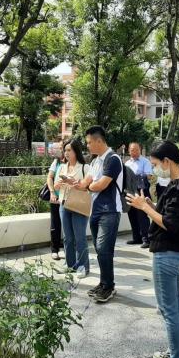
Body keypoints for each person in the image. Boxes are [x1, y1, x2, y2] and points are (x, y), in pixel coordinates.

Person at [126, 140, 179, 358]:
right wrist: (148, 204)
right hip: (174, 252)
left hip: (168, 253)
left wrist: (144, 208)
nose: (154, 170)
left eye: (155, 164)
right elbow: (168, 215)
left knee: (168, 309)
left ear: (167, 161)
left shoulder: (178, 188)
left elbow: (170, 223)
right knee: (176, 306)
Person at [75, 126, 123, 303]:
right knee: (100, 249)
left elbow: (100, 185)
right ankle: (104, 283)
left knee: (104, 249)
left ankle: (108, 287)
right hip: (95, 210)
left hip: (110, 211)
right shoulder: (95, 162)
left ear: (98, 141)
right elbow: (86, 183)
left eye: (89, 142)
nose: (87, 146)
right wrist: (75, 183)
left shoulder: (113, 159)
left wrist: (89, 185)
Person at [55, 139, 91, 279]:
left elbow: (88, 187)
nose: (67, 153)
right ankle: (70, 265)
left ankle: (83, 266)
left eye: (69, 150)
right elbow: (57, 187)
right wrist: (59, 184)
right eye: (65, 150)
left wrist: (74, 183)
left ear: (76, 151)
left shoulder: (84, 168)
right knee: (68, 238)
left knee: (80, 238)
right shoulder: (62, 167)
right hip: (64, 204)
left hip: (78, 205)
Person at [125, 142, 153, 248]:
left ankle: (147, 239)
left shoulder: (145, 161)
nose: (134, 152)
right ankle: (136, 238)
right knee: (131, 215)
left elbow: (149, 175)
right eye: (132, 150)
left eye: (136, 150)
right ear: (129, 151)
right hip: (130, 191)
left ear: (140, 150)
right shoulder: (127, 163)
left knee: (142, 216)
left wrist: (136, 176)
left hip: (141, 191)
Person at [46, 141, 65, 260]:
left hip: (68, 198)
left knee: (68, 225)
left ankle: (65, 248)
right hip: (56, 197)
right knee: (55, 224)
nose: (60, 149)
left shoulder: (73, 162)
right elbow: (50, 177)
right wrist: (52, 192)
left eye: (61, 147)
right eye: (61, 147)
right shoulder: (56, 161)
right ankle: (55, 249)